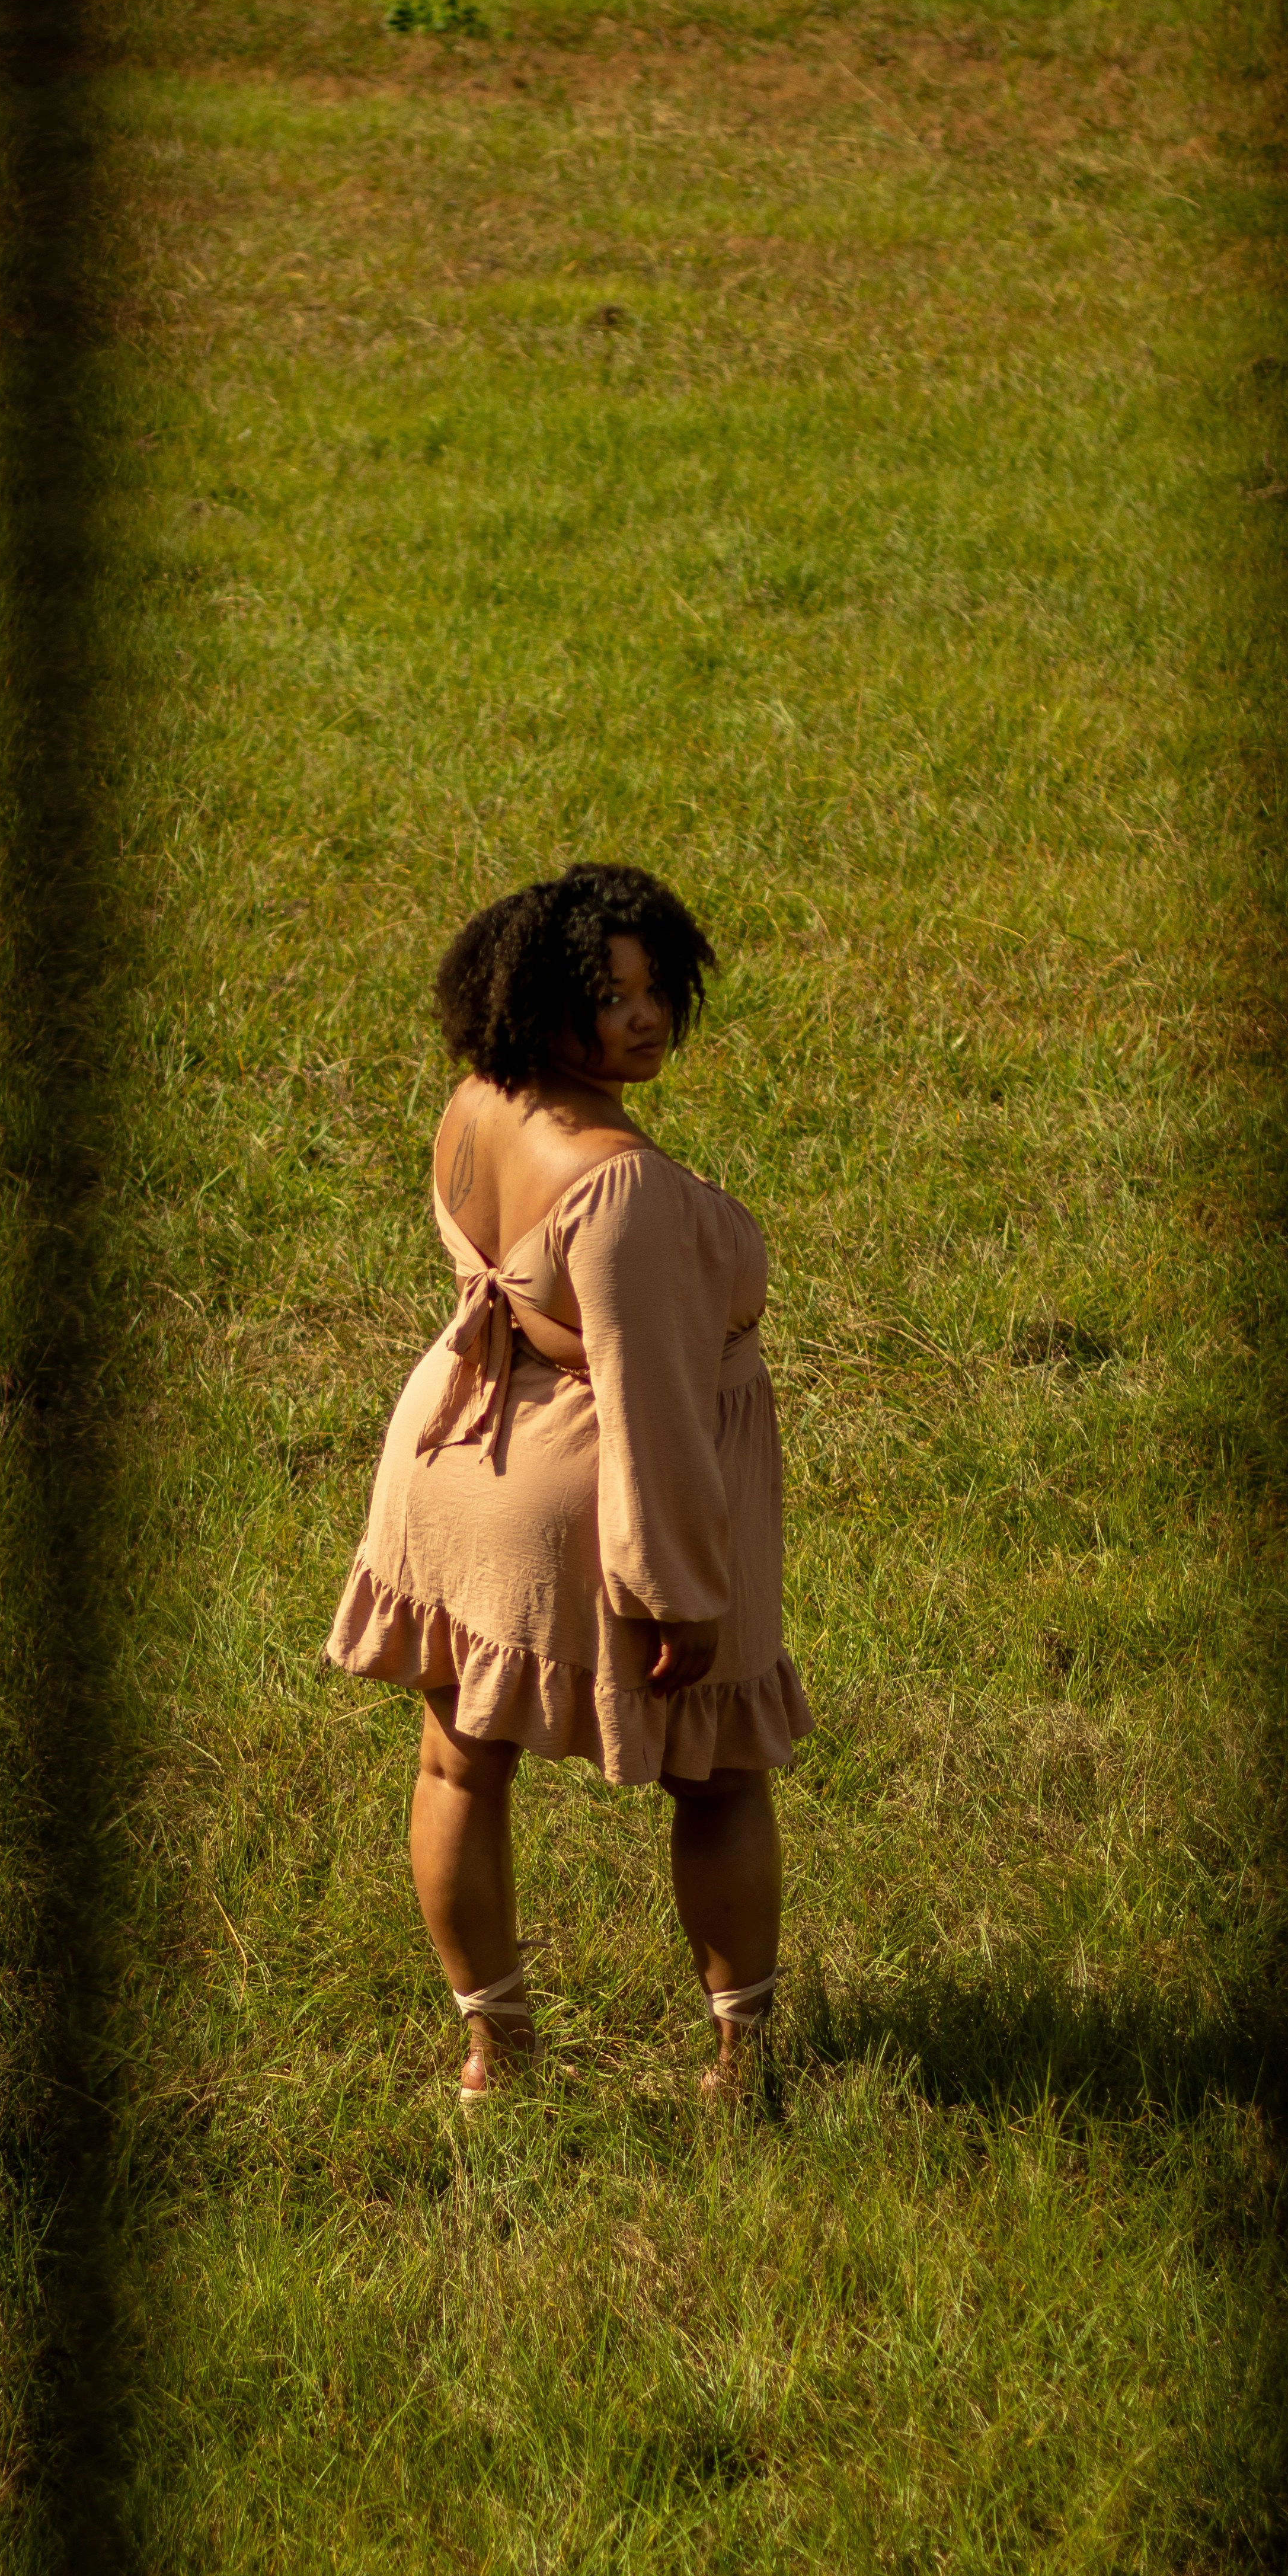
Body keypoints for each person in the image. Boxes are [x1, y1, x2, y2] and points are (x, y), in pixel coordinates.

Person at [324, 864, 810, 2097]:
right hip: (588, 1492)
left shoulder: (477, 1105)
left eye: (655, 989)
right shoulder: (621, 1185)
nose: (643, 1017)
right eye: (608, 995)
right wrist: (675, 1593)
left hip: (453, 1453)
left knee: (453, 1759)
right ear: (538, 997)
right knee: (717, 1772)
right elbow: (649, 1402)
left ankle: (496, 2054)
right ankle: (737, 2068)